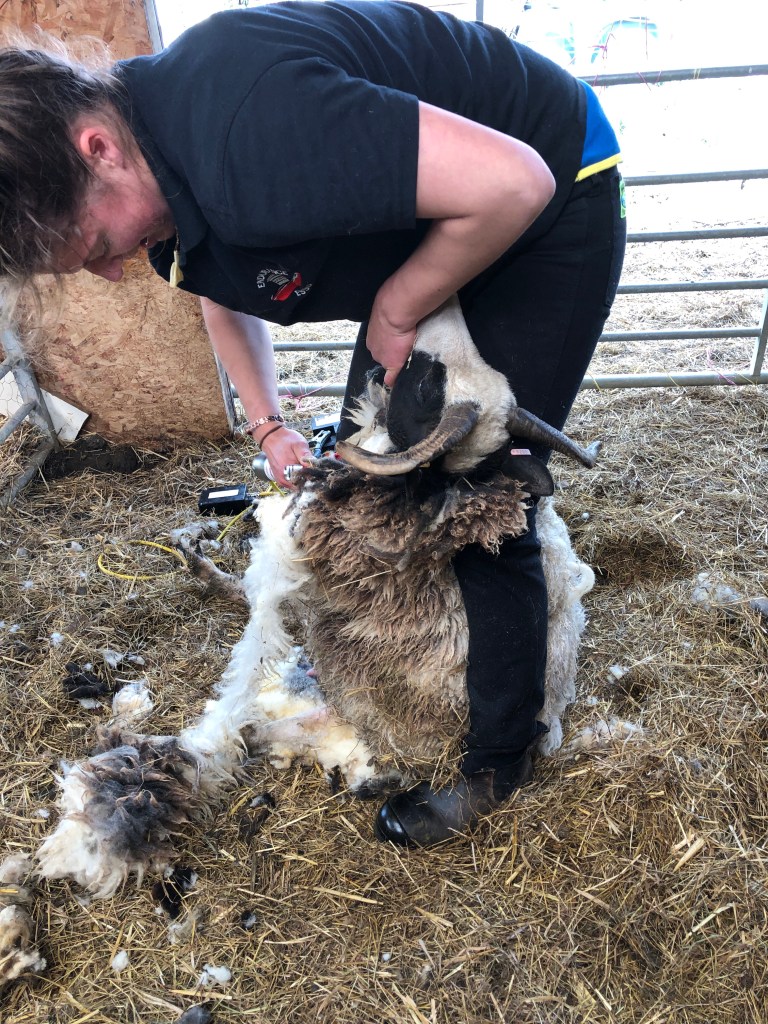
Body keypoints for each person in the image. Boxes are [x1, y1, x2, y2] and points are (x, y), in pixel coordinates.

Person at [0, 0, 625, 848]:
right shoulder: (162, 160)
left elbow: (512, 182)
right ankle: (384, 658)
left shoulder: (249, 135)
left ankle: (499, 757)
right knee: (364, 467)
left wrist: (397, 309)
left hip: (549, 187)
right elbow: (218, 287)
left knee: (476, 495)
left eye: (91, 245)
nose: (110, 273)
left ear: (96, 149)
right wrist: (268, 427)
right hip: (455, 215)